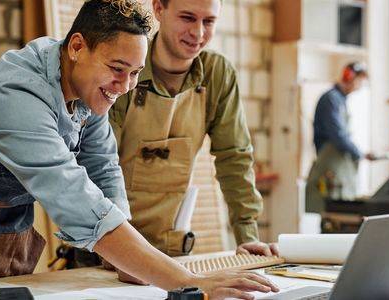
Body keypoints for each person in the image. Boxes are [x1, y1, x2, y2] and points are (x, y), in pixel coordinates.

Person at [0, 0, 279, 298]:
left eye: (135, 73)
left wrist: (121, 258)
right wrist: (188, 281)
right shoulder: (17, 94)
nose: (125, 86)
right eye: (116, 69)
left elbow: (103, 165)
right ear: (77, 46)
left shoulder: (83, 86)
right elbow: (73, 194)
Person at [108, 0, 277, 262]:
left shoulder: (217, 74)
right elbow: (100, 162)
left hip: (169, 251)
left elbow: (235, 158)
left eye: (208, 21)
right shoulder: (124, 67)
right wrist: (117, 247)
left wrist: (248, 236)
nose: (198, 33)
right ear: (159, 9)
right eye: (187, 18)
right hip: (106, 246)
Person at [305, 62, 371, 213]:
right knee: (329, 212)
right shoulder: (331, 99)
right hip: (329, 164)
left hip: (337, 165)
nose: (360, 86)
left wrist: (361, 153)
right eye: (359, 81)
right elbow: (338, 135)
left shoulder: (340, 100)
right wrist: (358, 152)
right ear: (349, 77)